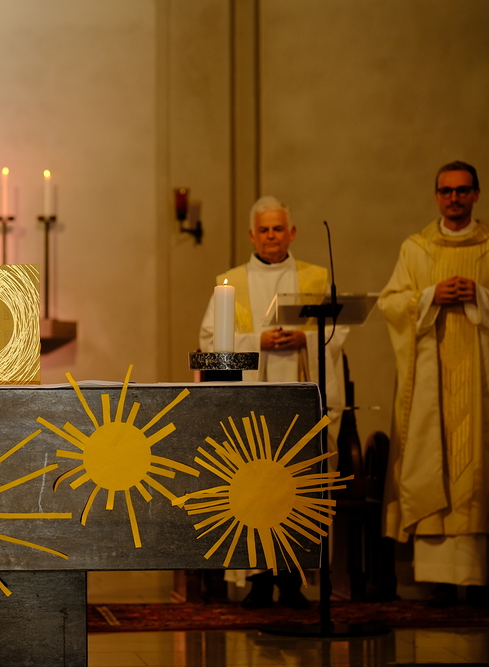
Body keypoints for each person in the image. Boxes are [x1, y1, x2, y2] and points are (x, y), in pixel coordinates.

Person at [379, 161, 489, 606]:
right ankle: (439, 580)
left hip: (483, 388)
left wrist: (484, 297)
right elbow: (391, 303)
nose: (454, 198)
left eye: (462, 190)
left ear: (476, 194)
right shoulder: (417, 249)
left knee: (482, 467)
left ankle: (481, 578)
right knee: (434, 463)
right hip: (432, 386)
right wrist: (429, 297)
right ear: (436, 196)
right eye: (446, 191)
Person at [198, 195, 348, 609]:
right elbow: (209, 341)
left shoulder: (315, 278)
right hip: (253, 404)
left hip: (302, 400)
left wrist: (306, 338)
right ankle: (259, 579)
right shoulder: (230, 282)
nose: (270, 236)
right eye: (263, 229)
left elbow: (340, 332)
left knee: (297, 486)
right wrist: (257, 341)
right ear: (252, 235)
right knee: (254, 486)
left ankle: (293, 578)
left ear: (291, 232)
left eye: (278, 228)